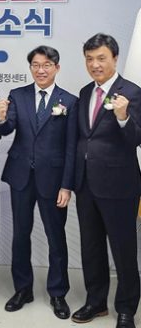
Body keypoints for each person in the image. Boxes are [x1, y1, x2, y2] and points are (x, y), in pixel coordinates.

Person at [0, 45, 77, 319]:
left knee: (56, 237)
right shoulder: (17, 95)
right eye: (36, 65)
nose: (41, 70)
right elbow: (6, 128)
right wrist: (1, 116)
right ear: (30, 67)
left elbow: (71, 148)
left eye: (47, 65)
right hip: (21, 176)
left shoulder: (69, 101)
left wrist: (67, 185)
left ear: (57, 67)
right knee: (20, 235)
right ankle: (23, 289)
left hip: (53, 179)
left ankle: (58, 293)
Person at [71, 33, 141, 328]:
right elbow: (83, 138)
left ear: (115, 58)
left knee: (123, 249)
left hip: (119, 185)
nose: (95, 64)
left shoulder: (132, 92)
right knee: (91, 247)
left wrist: (123, 116)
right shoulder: (85, 92)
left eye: (101, 58)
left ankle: (126, 308)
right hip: (86, 183)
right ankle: (96, 301)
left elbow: (136, 138)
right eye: (89, 59)